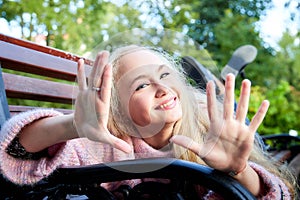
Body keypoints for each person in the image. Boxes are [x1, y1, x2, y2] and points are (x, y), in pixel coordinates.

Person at [0, 45, 297, 199]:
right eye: (141, 85)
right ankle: (215, 84)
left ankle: (217, 86)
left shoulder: (202, 130)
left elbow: (279, 195)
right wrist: (70, 127)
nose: (161, 88)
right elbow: (13, 153)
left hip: (205, 113)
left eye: (166, 75)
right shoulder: (108, 147)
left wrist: (239, 171)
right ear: (118, 109)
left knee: (217, 109)